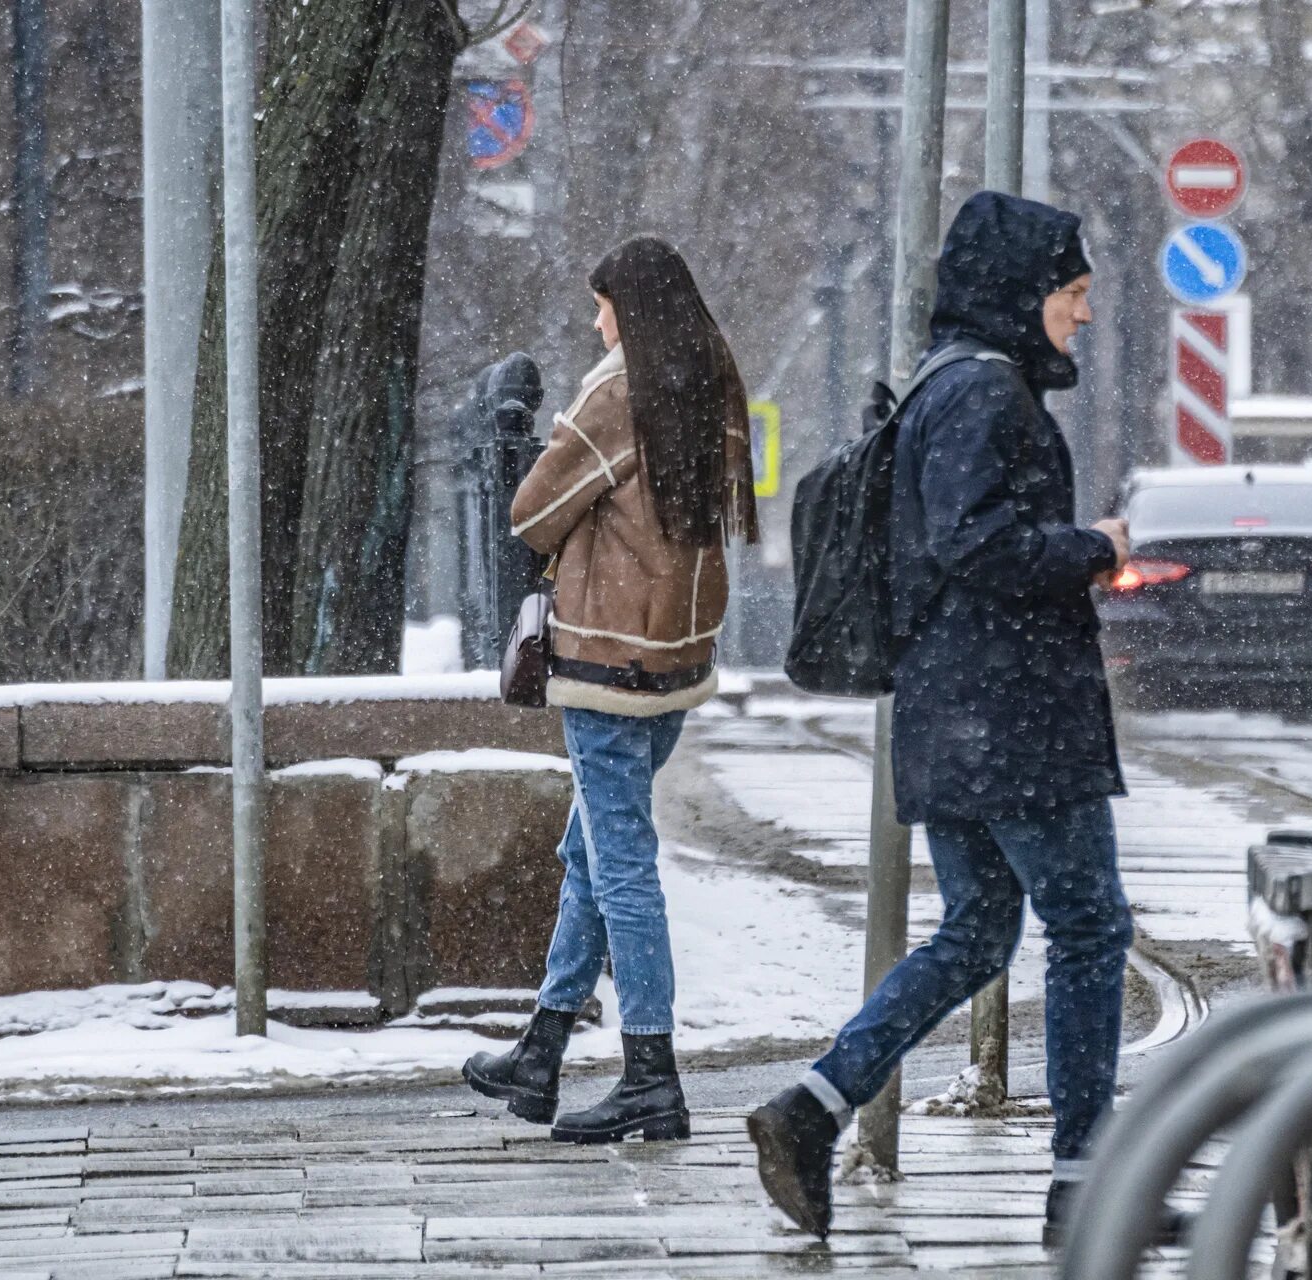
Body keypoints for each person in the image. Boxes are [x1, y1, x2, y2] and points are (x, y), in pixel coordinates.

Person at [748, 191, 1164, 1245]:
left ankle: (811, 1106)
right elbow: (977, 545)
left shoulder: (953, 384)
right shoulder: (984, 393)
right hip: (1012, 716)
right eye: (1070, 295)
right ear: (1025, 294)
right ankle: (1086, 1182)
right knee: (1087, 926)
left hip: (956, 714)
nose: (1079, 315)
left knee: (980, 927)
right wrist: (1097, 547)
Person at [463, 235, 758, 1145]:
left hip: (602, 661)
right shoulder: (716, 380)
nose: (597, 323)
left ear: (628, 308)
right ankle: (543, 1050)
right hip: (675, 660)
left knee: (622, 868)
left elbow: (532, 509)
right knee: (592, 853)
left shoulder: (619, 389)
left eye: (602, 306)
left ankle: (651, 1072)